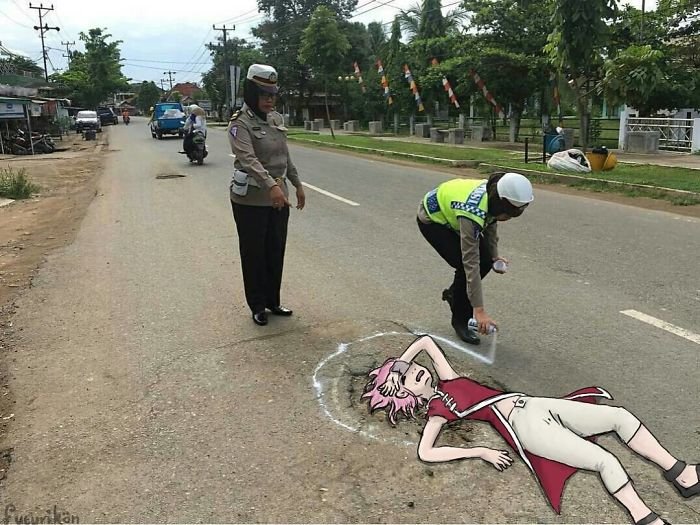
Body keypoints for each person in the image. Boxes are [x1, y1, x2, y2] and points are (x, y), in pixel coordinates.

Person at [363, 335, 698, 525]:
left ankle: (682, 474)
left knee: (620, 417)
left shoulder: (448, 377)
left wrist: (397, 363)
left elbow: (424, 341)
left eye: (409, 370)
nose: (413, 374)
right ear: (403, 394)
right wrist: (479, 451)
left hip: (534, 404)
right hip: (526, 428)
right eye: (404, 379)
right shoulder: (438, 411)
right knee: (605, 461)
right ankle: (646, 519)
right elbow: (426, 451)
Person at [227, 64, 306, 326]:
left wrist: (297, 184)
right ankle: (257, 304)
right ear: (251, 93)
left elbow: (285, 156)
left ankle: (273, 300)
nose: (270, 99)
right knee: (254, 253)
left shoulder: (276, 120)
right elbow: (248, 160)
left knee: (275, 249)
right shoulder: (240, 123)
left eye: (273, 94)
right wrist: (271, 186)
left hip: (278, 198)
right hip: (251, 199)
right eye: (264, 94)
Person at [417, 172, 533, 345]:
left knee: (486, 261)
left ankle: (455, 294)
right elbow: (470, 263)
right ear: (498, 204)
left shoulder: (494, 193)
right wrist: (479, 311)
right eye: (508, 214)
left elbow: (491, 223)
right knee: (466, 267)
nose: (508, 219)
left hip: (453, 210)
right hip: (433, 220)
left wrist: (494, 256)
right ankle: (460, 320)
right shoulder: (472, 213)